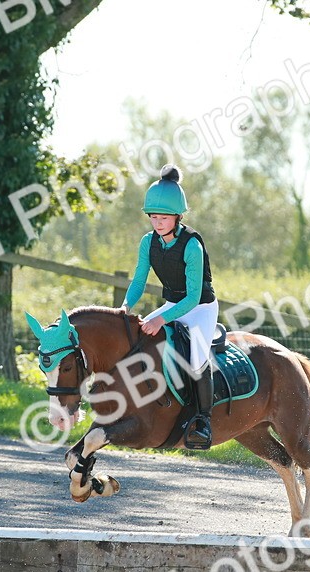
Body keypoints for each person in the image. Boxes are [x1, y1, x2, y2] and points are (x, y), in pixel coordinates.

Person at [120, 164, 219, 449]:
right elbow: (139, 281)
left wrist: (161, 320)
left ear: (178, 216)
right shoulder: (147, 243)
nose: (158, 222)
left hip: (200, 308)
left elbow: (191, 297)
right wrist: (126, 305)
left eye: (163, 217)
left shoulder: (192, 246)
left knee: (198, 358)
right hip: (174, 303)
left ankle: (203, 420)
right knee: (136, 337)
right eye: (153, 217)